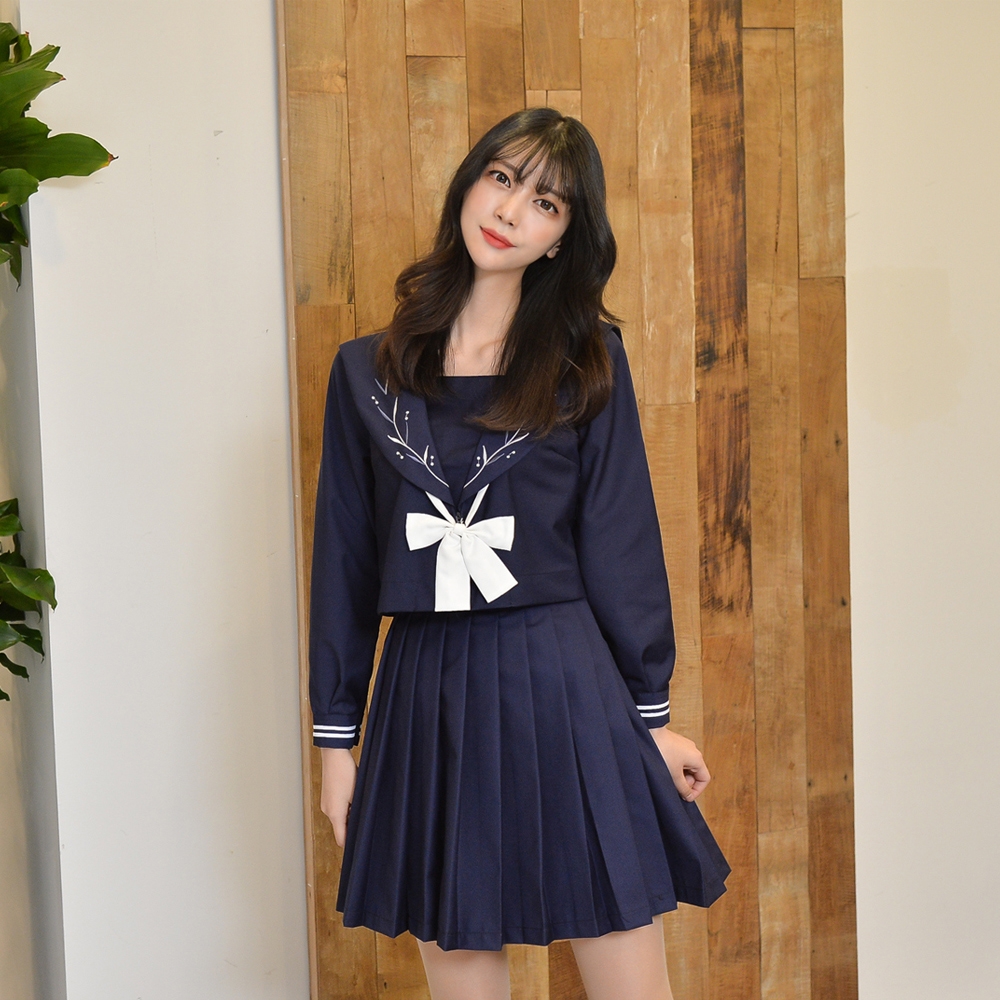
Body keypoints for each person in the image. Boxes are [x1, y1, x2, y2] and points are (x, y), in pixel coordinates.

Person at [309, 107, 731, 1000]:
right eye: (501, 178)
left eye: (546, 202)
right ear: (469, 183)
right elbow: (344, 561)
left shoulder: (586, 363)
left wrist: (651, 721)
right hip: (424, 696)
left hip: (563, 684)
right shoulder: (365, 374)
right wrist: (335, 747)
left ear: (562, 238)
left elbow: (622, 539)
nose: (511, 210)